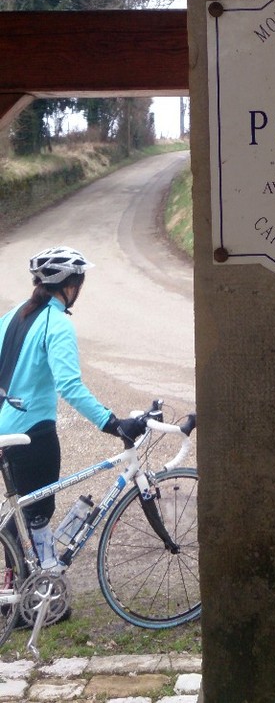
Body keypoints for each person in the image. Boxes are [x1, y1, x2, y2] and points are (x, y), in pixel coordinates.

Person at [0, 245, 145, 575]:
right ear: (70, 285)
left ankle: (36, 588)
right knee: (34, 514)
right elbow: (69, 386)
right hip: (33, 433)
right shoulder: (57, 324)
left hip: (6, 430)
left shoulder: (10, 317)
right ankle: (26, 599)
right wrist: (111, 422)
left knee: (26, 515)